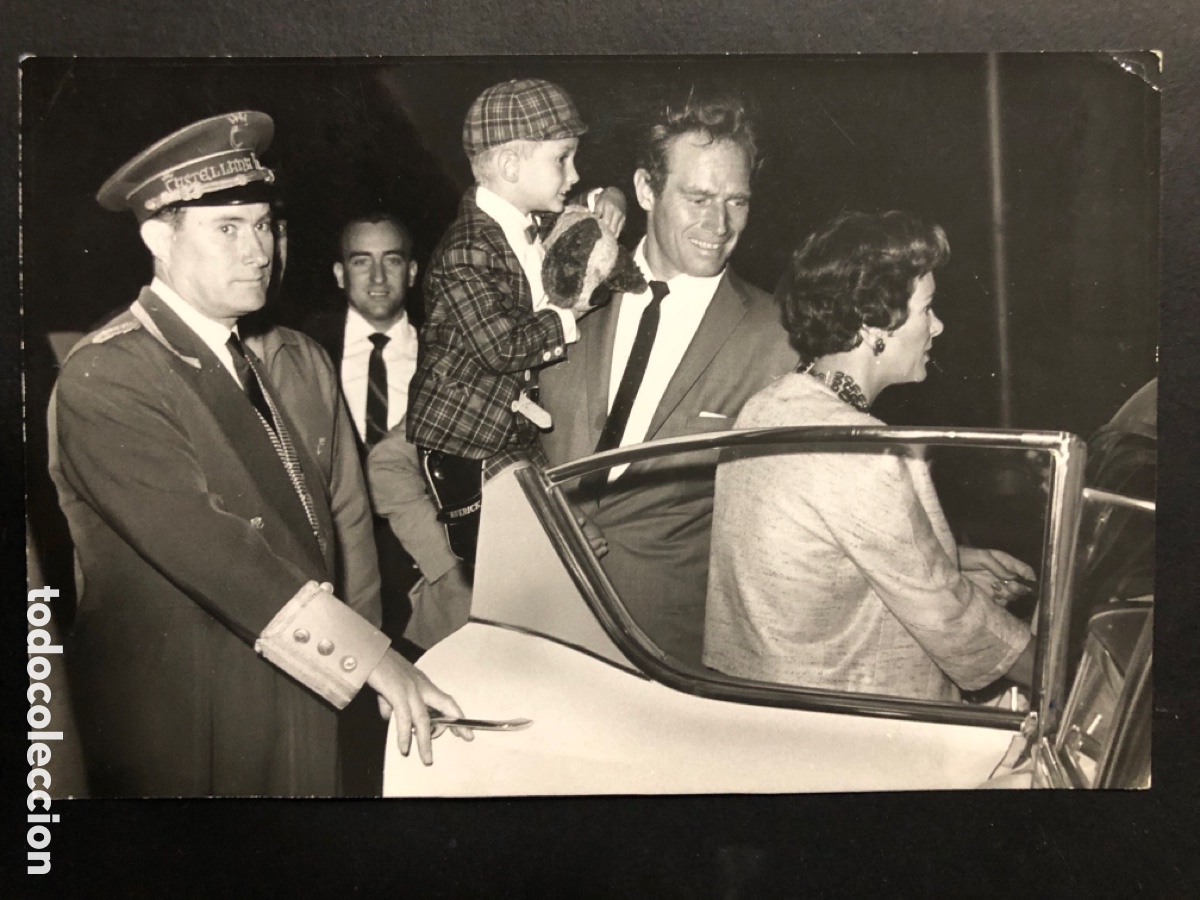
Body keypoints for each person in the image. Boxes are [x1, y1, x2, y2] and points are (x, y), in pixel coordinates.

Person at [48, 111, 468, 797]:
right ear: (158, 236)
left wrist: (365, 670)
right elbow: (218, 551)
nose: (260, 250)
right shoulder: (110, 374)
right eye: (228, 228)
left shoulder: (259, 357)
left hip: (295, 703)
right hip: (190, 732)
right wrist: (377, 662)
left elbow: (334, 527)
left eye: (265, 224)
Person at [703, 210, 1034, 702]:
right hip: (847, 724)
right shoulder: (861, 448)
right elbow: (951, 620)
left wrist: (952, 561)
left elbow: (820, 557)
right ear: (875, 323)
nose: (937, 327)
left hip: (761, 711)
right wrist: (1062, 668)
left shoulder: (768, 409)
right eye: (927, 309)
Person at [539, 90, 798, 666]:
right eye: (698, 197)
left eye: (737, 201)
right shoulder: (562, 284)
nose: (719, 223)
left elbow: (807, 503)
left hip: (670, 654)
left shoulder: (776, 338)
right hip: (533, 627)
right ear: (646, 189)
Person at [406, 77, 625, 565]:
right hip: (461, 439)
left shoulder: (531, 219)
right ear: (510, 165)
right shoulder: (466, 249)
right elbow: (502, 348)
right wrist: (572, 313)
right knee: (504, 559)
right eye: (562, 158)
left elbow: (587, 205)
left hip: (506, 430)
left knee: (549, 547)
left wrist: (612, 196)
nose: (575, 172)